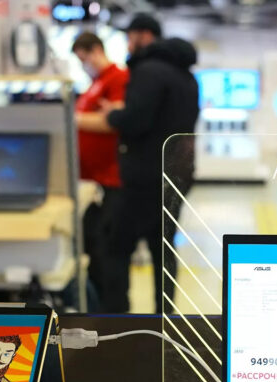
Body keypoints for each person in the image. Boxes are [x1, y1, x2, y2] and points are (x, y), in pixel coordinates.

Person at [93, 13, 200, 313]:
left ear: (144, 35)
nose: (128, 43)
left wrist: (113, 115)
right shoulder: (186, 76)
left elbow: (136, 121)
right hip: (176, 175)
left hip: (144, 178)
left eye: (130, 36)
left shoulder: (148, 71)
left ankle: (117, 318)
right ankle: (165, 318)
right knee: (163, 249)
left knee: (116, 248)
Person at [72, 32, 129, 307]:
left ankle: (112, 309)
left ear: (96, 50)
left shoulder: (117, 78)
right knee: (92, 248)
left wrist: (74, 119)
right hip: (91, 181)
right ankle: (97, 307)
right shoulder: (95, 84)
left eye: (84, 58)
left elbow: (113, 121)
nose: (84, 65)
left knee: (106, 250)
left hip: (110, 179)